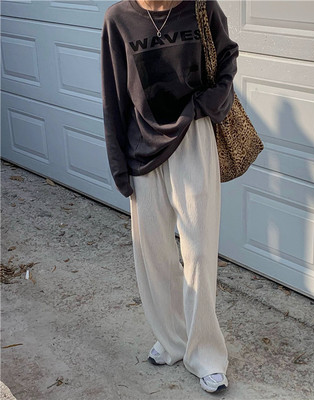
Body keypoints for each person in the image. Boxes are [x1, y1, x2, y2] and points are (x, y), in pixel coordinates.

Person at [101, 0, 239, 393]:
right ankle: (174, 340)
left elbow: (227, 58)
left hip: (192, 140)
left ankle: (206, 355)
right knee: (154, 254)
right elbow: (113, 94)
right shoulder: (118, 19)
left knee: (198, 253)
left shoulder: (201, 7)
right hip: (141, 147)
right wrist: (118, 163)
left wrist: (208, 103)